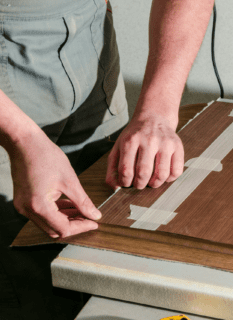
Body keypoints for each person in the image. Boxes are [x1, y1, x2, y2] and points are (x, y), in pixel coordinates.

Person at [0, 0, 214, 318]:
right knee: (23, 273)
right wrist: (22, 139)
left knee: (110, 244)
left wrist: (157, 110)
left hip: (89, 59)